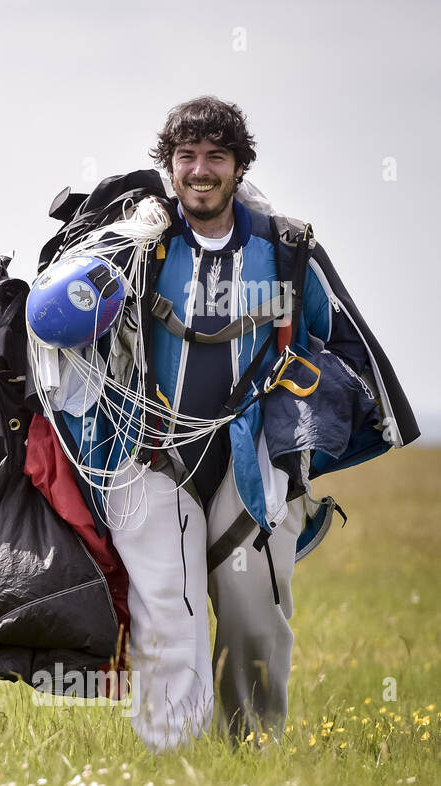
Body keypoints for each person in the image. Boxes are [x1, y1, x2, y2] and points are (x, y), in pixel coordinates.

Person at [41, 96, 418, 751]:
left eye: (216, 156)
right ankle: (178, 759)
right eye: (187, 156)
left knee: (253, 610)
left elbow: (352, 349)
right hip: (151, 452)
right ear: (170, 164)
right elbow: (53, 321)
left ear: (240, 166)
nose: (200, 170)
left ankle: (249, 753)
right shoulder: (131, 245)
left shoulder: (287, 247)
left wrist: (310, 433)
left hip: (254, 454)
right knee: (168, 610)